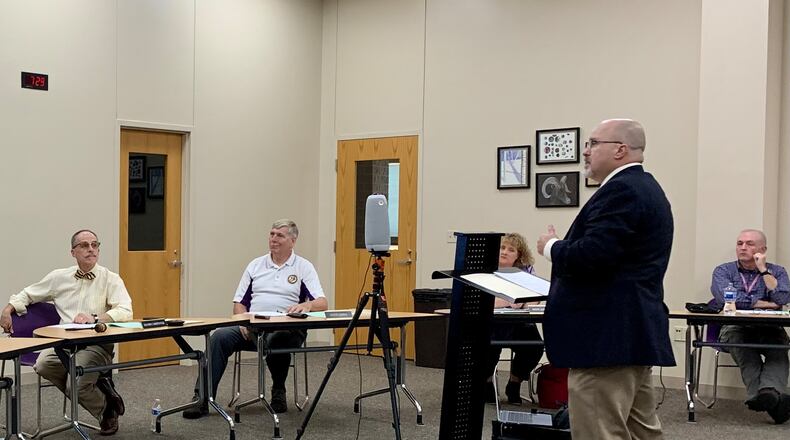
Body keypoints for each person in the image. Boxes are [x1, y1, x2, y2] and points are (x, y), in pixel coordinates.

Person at [537, 119, 674, 439]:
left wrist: (552, 248)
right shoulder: (646, 188)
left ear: (620, 150)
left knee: (598, 430)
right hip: (630, 333)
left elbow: (593, 256)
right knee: (641, 430)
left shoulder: (622, 190)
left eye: (593, 143)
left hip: (606, 337)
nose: (585, 151)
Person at [183, 219, 327, 419]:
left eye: (280, 235)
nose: (273, 239)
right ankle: (203, 399)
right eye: (271, 234)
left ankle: (278, 391)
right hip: (253, 327)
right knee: (219, 337)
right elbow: (239, 303)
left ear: (292, 241)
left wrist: (306, 305)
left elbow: (322, 303)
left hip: (288, 328)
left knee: (277, 339)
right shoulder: (255, 265)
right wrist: (242, 320)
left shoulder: (303, 267)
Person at [0, 229, 133, 436]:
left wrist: (96, 318)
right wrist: (7, 310)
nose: (91, 249)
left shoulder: (110, 279)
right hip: (62, 343)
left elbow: (125, 311)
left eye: (95, 245)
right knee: (42, 365)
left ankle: (104, 411)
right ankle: (105, 402)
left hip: (96, 343)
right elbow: (27, 294)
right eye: (84, 245)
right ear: (73, 252)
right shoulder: (58, 277)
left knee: (76, 385)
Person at [709, 229, 790, 424]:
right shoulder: (723, 271)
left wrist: (763, 271)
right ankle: (771, 397)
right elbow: (726, 298)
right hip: (735, 327)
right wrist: (765, 303)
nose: (743, 247)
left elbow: (783, 297)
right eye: (740, 243)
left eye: (750, 244)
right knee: (744, 350)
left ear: (763, 249)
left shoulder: (777, 272)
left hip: (769, 326)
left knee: (779, 349)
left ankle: (766, 396)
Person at [485, 232, 544, 405]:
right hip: (493, 324)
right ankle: (487, 384)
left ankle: (514, 384)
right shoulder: (486, 270)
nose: (504, 252)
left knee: (534, 348)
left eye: (511, 250)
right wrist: (511, 300)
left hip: (519, 323)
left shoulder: (526, 272)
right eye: (502, 248)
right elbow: (484, 301)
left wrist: (520, 302)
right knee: (486, 348)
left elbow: (536, 297)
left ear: (519, 255)